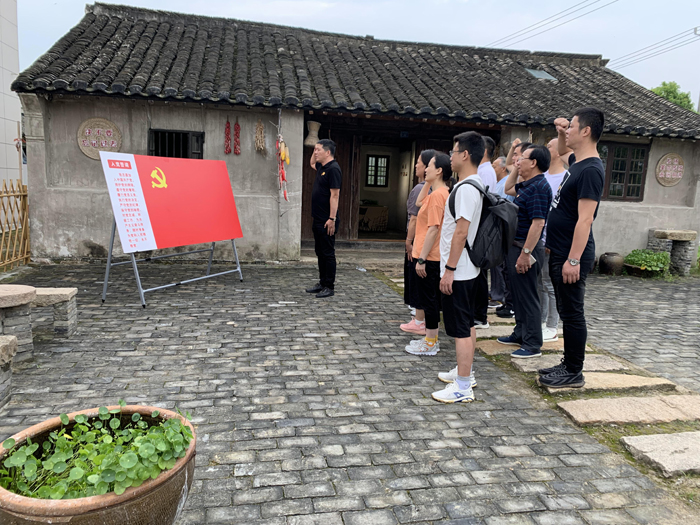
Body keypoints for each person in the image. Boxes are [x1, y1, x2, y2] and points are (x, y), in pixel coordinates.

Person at [539, 108, 606, 388]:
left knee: (573, 313)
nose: (568, 132)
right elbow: (563, 150)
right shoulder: (578, 162)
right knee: (566, 311)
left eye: (572, 127)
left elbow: (585, 219)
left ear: (586, 131)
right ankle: (567, 362)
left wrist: (574, 260)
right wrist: (559, 131)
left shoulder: (591, 170)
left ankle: (574, 370)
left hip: (572, 254)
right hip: (561, 250)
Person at [431, 131, 485, 403]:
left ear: (465, 154)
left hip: (459, 270)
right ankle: (466, 373)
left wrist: (449, 270)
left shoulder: (465, 189)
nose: (450, 157)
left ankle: (463, 386)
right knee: (468, 324)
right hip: (468, 268)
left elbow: (461, 232)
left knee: (460, 328)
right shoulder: (476, 185)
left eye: (453, 152)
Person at [497, 144, 552, 358]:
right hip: (517, 247)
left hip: (526, 249)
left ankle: (532, 343)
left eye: (523, 159)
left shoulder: (539, 187)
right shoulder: (528, 184)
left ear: (534, 162)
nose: (518, 162)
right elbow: (508, 188)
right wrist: (516, 169)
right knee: (518, 295)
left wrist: (526, 253)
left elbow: (538, 224)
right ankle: (520, 333)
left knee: (528, 296)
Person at [405, 153, 452, 356]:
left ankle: (431, 342)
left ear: (439, 170)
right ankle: (429, 339)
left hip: (429, 256)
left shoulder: (438, 196)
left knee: (429, 301)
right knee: (427, 299)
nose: (425, 169)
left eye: (430, 166)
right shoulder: (436, 193)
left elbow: (433, 229)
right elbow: (418, 203)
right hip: (426, 254)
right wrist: (428, 182)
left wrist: (422, 259)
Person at [538, 138, 570, 343]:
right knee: (541, 283)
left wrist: (552, 238)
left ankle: (552, 326)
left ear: (559, 152)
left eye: (550, 146)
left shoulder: (566, 177)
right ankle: (541, 322)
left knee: (550, 284)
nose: (546, 148)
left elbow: (561, 211)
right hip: (538, 239)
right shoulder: (542, 176)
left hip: (553, 239)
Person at [401, 150, 436, 336]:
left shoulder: (420, 189)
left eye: (419, 162)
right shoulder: (435, 189)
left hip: (419, 240)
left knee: (416, 279)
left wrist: (409, 240)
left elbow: (414, 218)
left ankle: (419, 319)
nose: (416, 166)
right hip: (428, 241)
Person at [305, 139, 341, 298]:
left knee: (328, 253)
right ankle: (322, 282)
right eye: (314, 150)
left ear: (328, 152)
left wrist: (332, 218)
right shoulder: (322, 167)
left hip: (327, 220)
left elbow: (335, 195)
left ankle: (329, 286)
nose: (315, 152)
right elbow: (312, 163)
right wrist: (315, 148)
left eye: (318, 150)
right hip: (318, 219)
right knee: (320, 252)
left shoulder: (333, 169)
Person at [473, 136, 498, 328]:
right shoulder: (481, 170)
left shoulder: (486, 172)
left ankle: (480, 315)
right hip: (478, 225)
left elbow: (484, 201)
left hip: (482, 226)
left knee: (480, 273)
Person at [489, 156, 513, 313]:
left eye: (495, 166)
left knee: (499, 266)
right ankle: (495, 292)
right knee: (495, 265)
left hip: (502, 229)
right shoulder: (497, 183)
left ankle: (499, 295)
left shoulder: (505, 184)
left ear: (503, 168)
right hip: (495, 228)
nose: (493, 169)